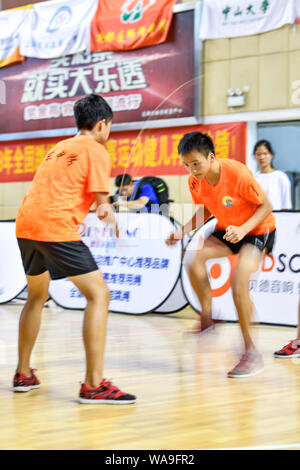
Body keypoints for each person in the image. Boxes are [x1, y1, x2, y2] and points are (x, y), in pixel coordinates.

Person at [13, 94, 136, 405]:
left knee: (36, 297)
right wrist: (118, 225)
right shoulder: (96, 149)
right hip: (55, 228)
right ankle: (94, 385)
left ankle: (23, 373)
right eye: (109, 127)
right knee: (99, 295)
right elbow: (102, 208)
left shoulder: (60, 147)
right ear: (101, 124)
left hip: (26, 225)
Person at [166, 132, 276, 378]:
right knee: (194, 260)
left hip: (258, 229)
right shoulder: (195, 181)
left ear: (211, 157)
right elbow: (205, 210)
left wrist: (244, 229)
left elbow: (265, 206)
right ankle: (208, 318)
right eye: (186, 164)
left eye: (196, 163)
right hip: (228, 228)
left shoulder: (236, 173)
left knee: (239, 283)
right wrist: (182, 231)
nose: (192, 170)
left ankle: (251, 352)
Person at [254, 139, 292, 210]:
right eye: (258, 154)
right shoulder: (253, 178)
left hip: (277, 217)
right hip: (258, 219)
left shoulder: (281, 177)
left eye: (265, 154)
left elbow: (286, 205)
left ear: (271, 155)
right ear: (255, 156)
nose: (262, 157)